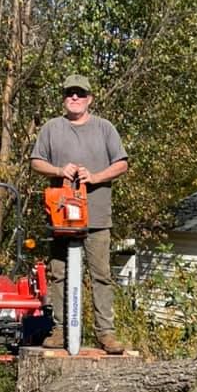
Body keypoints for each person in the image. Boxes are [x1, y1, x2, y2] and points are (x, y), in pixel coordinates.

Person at [30, 73, 128, 353]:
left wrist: (95, 177)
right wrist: (60, 171)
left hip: (96, 218)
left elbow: (121, 164)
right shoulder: (51, 128)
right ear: (64, 98)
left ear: (90, 99)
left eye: (80, 94)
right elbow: (36, 162)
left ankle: (105, 334)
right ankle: (60, 330)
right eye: (70, 93)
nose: (75, 98)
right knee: (58, 274)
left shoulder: (105, 128)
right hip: (61, 218)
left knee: (101, 275)